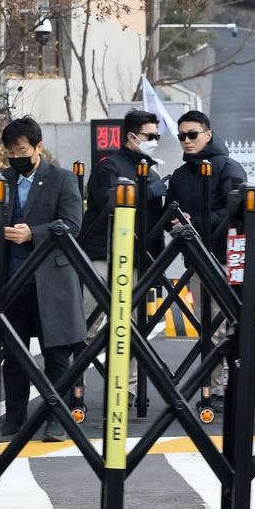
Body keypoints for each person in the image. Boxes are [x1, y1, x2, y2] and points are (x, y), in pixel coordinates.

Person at [0, 117, 87, 441]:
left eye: (21, 150)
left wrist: (31, 233)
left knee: (57, 354)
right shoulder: (1, 180)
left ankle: (57, 419)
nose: (16, 156)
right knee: (14, 354)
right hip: (11, 278)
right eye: (10, 151)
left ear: (38, 147)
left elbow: (72, 226)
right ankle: (14, 418)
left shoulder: (61, 179)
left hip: (51, 278)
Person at [166, 110, 247, 416]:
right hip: (198, 261)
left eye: (192, 134)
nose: (186, 141)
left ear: (208, 134)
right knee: (209, 329)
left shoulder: (228, 168)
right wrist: (174, 222)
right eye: (182, 136)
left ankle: (223, 388)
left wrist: (193, 222)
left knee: (226, 328)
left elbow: (234, 213)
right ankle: (212, 389)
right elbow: (170, 214)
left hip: (228, 260)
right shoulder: (179, 176)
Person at [83, 109, 167, 403]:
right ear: (131, 137)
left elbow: (156, 220)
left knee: (129, 328)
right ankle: (73, 385)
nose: (155, 141)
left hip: (135, 260)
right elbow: (108, 201)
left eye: (157, 136)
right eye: (150, 136)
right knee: (89, 325)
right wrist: (151, 190)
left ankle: (127, 389)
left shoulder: (152, 172)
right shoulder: (109, 166)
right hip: (102, 255)